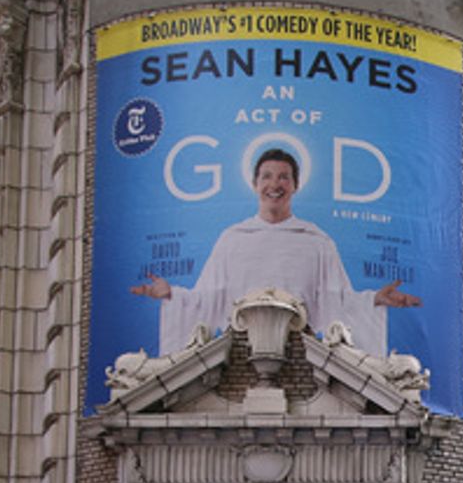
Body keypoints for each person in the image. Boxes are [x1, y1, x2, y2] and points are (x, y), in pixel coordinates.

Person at [130, 148, 420, 354]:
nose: (275, 184)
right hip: (239, 354)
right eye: (267, 176)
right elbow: (209, 299)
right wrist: (172, 295)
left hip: (302, 355)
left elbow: (337, 300)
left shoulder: (317, 241)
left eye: (284, 177)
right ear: (255, 184)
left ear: (295, 185)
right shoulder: (232, 239)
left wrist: (374, 300)